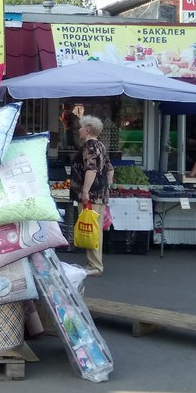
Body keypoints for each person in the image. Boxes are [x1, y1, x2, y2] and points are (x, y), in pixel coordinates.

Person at [70, 115, 113, 277]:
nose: (79, 130)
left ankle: (94, 265)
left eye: (81, 127)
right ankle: (94, 263)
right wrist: (106, 187)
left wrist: (86, 191)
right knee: (95, 228)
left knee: (91, 228)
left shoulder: (89, 146)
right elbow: (110, 169)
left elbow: (91, 169)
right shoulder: (101, 146)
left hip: (91, 194)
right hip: (100, 193)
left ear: (87, 130)